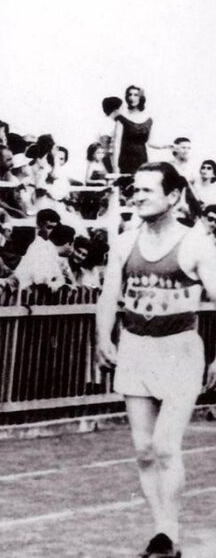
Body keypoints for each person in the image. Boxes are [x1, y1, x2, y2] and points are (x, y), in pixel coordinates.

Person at [95, 162, 216, 558]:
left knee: (165, 446)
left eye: (148, 190)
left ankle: (170, 532)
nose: (138, 196)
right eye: (135, 189)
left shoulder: (195, 243)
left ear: (174, 195)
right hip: (136, 347)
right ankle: (161, 532)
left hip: (180, 349)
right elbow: (109, 294)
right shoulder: (124, 242)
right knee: (144, 450)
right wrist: (103, 337)